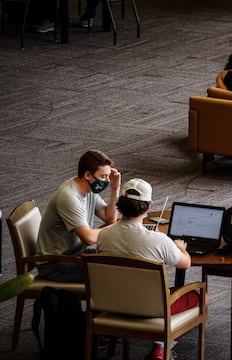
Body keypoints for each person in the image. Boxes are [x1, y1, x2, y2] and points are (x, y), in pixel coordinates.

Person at [97, 178, 202, 360]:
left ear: (120, 204)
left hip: (112, 304)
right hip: (152, 310)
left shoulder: (103, 235)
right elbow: (185, 264)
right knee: (202, 296)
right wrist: (181, 248)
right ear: (148, 207)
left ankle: (159, 348)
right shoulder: (159, 240)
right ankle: (161, 347)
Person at [36, 149, 121, 282]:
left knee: (121, 259)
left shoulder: (89, 189)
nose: (107, 181)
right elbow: (89, 238)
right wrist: (117, 228)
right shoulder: (69, 197)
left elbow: (110, 218)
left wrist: (115, 189)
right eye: (104, 177)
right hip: (56, 264)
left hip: (75, 255)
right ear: (88, 175)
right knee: (115, 275)